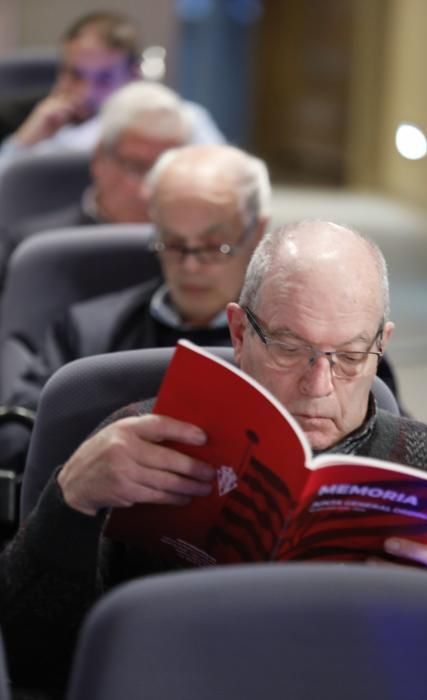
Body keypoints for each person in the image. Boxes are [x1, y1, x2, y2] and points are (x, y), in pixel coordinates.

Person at [1, 219, 427, 699]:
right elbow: (33, 657)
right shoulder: (139, 443)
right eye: (290, 347)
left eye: (349, 356)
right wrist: (70, 498)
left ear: (381, 345)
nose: (319, 385)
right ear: (240, 333)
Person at [0, 143, 272, 472]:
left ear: (257, 231)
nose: (191, 265)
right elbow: (16, 445)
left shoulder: (282, 342)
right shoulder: (88, 333)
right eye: (173, 243)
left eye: (215, 247)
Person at [0, 79, 192, 286]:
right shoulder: (31, 250)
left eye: (164, 170)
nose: (148, 190)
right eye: (137, 167)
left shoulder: (198, 255)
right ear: (100, 158)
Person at [0, 11, 224, 173]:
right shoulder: (16, 118)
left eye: (104, 79)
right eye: (75, 75)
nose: (85, 92)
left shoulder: (183, 120)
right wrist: (24, 142)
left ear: (133, 77)